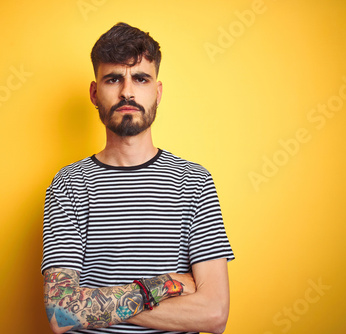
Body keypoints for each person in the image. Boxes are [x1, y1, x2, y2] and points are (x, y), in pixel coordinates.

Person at [41, 22, 235, 334]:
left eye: (140, 78)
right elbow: (60, 311)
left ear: (157, 92)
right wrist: (162, 285)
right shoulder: (68, 184)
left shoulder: (195, 182)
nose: (127, 91)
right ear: (94, 92)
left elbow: (213, 314)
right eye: (113, 78)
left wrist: (90, 307)